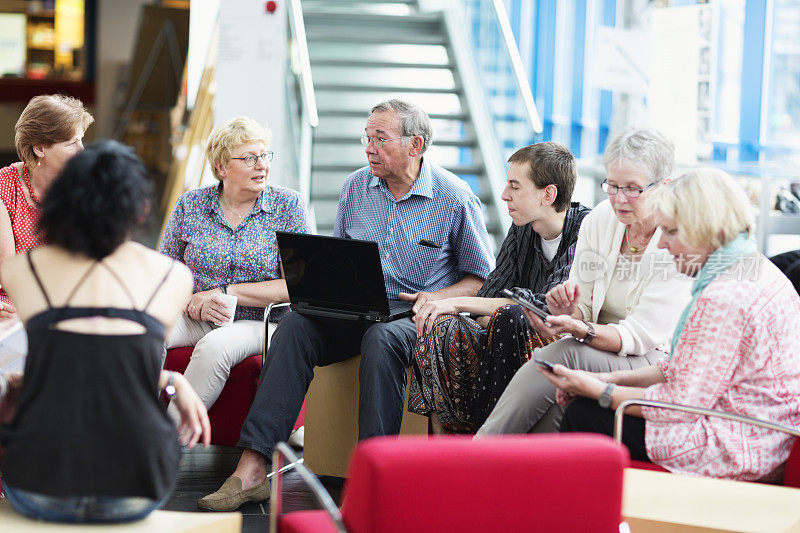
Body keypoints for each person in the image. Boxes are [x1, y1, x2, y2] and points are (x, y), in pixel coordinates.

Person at [199, 99, 494, 511]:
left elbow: (481, 280)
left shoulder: (454, 196)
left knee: (382, 337)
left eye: (381, 138)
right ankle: (252, 467)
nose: (369, 148)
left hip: (415, 315)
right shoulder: (356, 186)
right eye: (367, 137)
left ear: (416, 145)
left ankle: (374, 478)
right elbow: (338, 260)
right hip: (359, 306)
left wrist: (438, 298)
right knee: (297, 324)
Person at [0, 140, 210, 523]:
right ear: (140, 206)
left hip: (38, 485)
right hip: (136, 488)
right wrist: (173, 381)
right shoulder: (173, 277)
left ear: (61, 202)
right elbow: (124, 365)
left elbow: (87, 361)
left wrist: (20, 385)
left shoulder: (21, 271)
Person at [547, 168, 800, 482]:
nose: (663, 245)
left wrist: (598, 390)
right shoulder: (755, 268)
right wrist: (603, 377)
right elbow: (680, 367)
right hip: (765, 435)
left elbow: (677, 406)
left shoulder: (723, 298)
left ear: (706, 229)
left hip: (736, 446)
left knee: (584, 415)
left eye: (671, 231)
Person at [477, 127, 692, 436]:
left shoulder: (677, 240)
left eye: (632, 188)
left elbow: (639, 337)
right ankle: (518, 473)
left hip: (652, 358)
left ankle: (477, 455)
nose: (619, 199)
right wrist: (566, 313)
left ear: (664, 186)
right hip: (596, 346)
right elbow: (584, 309)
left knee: (560, 357)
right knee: (557, 399)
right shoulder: (600, 220)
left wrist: (582, 329)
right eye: (612, 185)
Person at [407, 142, 590, 433]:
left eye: (515, 187)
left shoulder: (586, 229)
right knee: (439, 324)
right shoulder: (521, 229)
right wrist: (480, 310)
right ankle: (448, 445)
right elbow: (490, 298)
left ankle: (489, 439)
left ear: (548, 194)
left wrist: (457, 303)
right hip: (505, 345)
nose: (504, 195)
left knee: (511, 318)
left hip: (561, 345)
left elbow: (544, 309)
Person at [159, 117, 311, 423]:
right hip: (194, 315)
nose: (261, 166)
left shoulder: (288, 207)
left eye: (264, 156)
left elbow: (297, 285)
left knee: (215, 346)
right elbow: (165, 272)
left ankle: (164, 448)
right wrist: (192, 302)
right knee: (145, 331)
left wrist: (227, 293)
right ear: (222, 167)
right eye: (249, 158)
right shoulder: (190, 204)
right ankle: (129, 427)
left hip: (259, 322)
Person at [0, 94, 93, 318]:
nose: (82, 150)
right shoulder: (4, 187)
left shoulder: (83, 187)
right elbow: (8, 274)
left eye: (81, 140)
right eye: (72, 143)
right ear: (40, 148)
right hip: (13, 305)